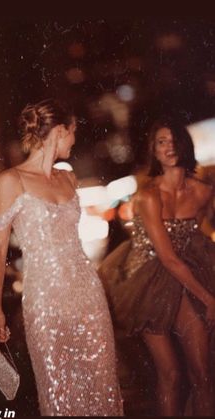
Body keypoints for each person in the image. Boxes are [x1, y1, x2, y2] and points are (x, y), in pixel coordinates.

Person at [0, 99, 123, 417]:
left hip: (88, 294)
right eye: (73, 132)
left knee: (101, 382)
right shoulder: (11, 181)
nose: (75, 140)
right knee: (57, 389)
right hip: (45, 300)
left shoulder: (68, 178)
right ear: (60, 131)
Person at [98, 117, 215, 416]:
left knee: (202, 374)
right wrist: (208, 299)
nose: (169, 147)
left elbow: (198, 236)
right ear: (154, 151)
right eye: (161, 142)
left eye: (174, 140)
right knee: (171, 375)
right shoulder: (149, 196)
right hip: (147, 280)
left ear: (185, 146)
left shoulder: (203, 191)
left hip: (187, 271)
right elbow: (167, 258)